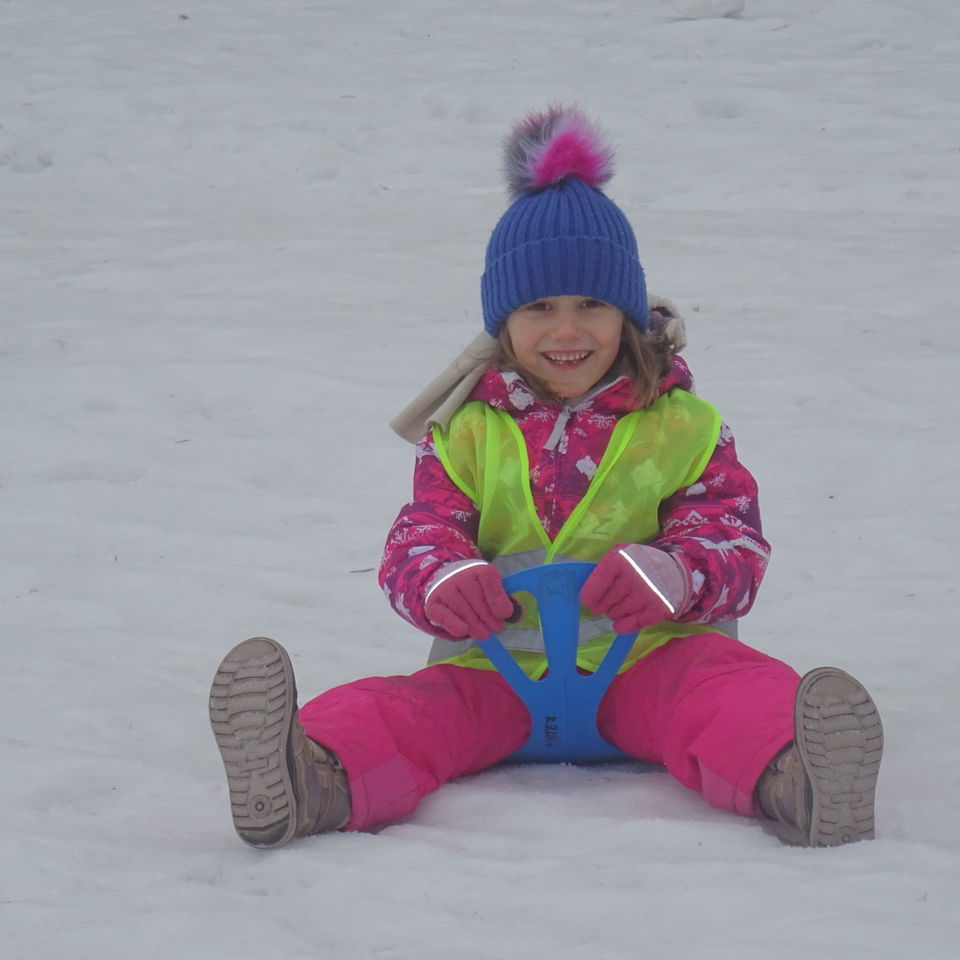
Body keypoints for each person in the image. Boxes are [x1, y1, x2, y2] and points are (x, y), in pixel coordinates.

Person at [209, 105, 883, 850]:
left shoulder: (683, 425)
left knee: (731, 694)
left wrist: (675, 568)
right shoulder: (467, 431)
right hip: (498, 669)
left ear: (627, 313)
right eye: (539, 308)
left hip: (649, 662)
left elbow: (734, 540)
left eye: (592, 304)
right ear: (503, 323)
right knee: (401, 713)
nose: (568, 331)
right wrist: (442, 578)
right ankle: (310, 776)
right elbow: (421, 533)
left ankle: (802, 778)